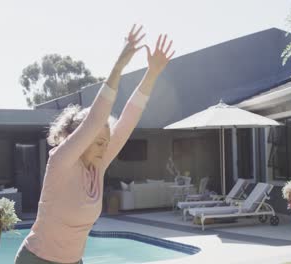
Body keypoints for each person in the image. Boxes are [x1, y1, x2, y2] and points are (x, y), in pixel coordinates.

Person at [15, 24, 174, 264]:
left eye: (106, 142)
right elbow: (96, 117)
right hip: (37, 259)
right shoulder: (61, 160)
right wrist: (119, 66)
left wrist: (152, 74)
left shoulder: (97, 168)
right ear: (78, 137)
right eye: (98, 142)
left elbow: (128, 120)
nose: (105, 147)